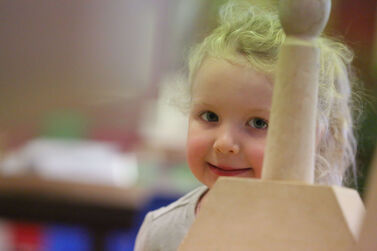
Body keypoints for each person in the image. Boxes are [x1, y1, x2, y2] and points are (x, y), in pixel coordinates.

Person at [134, 1, 361, 250]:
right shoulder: (161, 232)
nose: (224, 143)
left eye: (258, 123)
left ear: (309, 138)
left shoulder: (327, 238)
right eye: (210, 116)